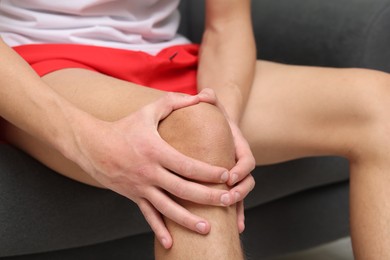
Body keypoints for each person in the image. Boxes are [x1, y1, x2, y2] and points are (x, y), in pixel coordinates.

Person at [0, 0, 389, 259]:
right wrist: (84, 141)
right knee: (196, 134)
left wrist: (226, 123)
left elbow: (227, 27)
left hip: (166, 56)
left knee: (378, 103)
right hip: (36, 65)